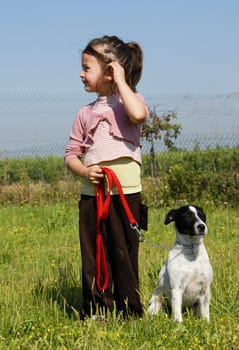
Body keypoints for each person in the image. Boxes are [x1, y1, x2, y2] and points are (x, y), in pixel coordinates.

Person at [64, 35, 148, 318]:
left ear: (110, 71)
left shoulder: (129, 103)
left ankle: (129, 311)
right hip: (92, 196)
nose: (81, 73)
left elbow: (138, 115)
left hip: (125, 196)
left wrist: (122, 82)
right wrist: (85, 171)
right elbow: (70, 155)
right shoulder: (84, 113)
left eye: (87, 67)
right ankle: (97, 310)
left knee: (124, 254)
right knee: (94, 255)